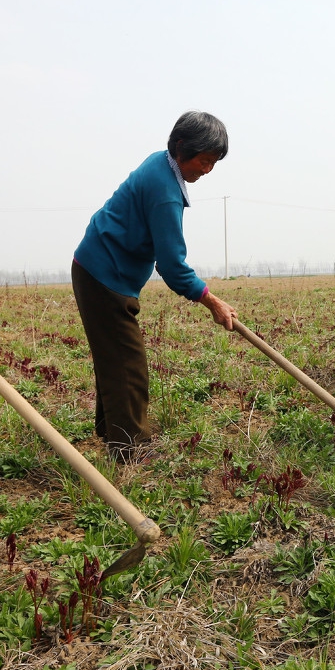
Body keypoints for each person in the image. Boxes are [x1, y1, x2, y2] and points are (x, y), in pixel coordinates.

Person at [72, 111, 237, 463]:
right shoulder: (165, 191)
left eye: (213, 163)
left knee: (114, 359)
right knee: (127, 365)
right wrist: (213, 302)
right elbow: (173, 267)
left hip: (100, 269)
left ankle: (112, 433)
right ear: (181, 148)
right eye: (203, 160)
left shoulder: (161, 164)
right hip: (104, 274)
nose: (206, 170)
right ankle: (130, 449)